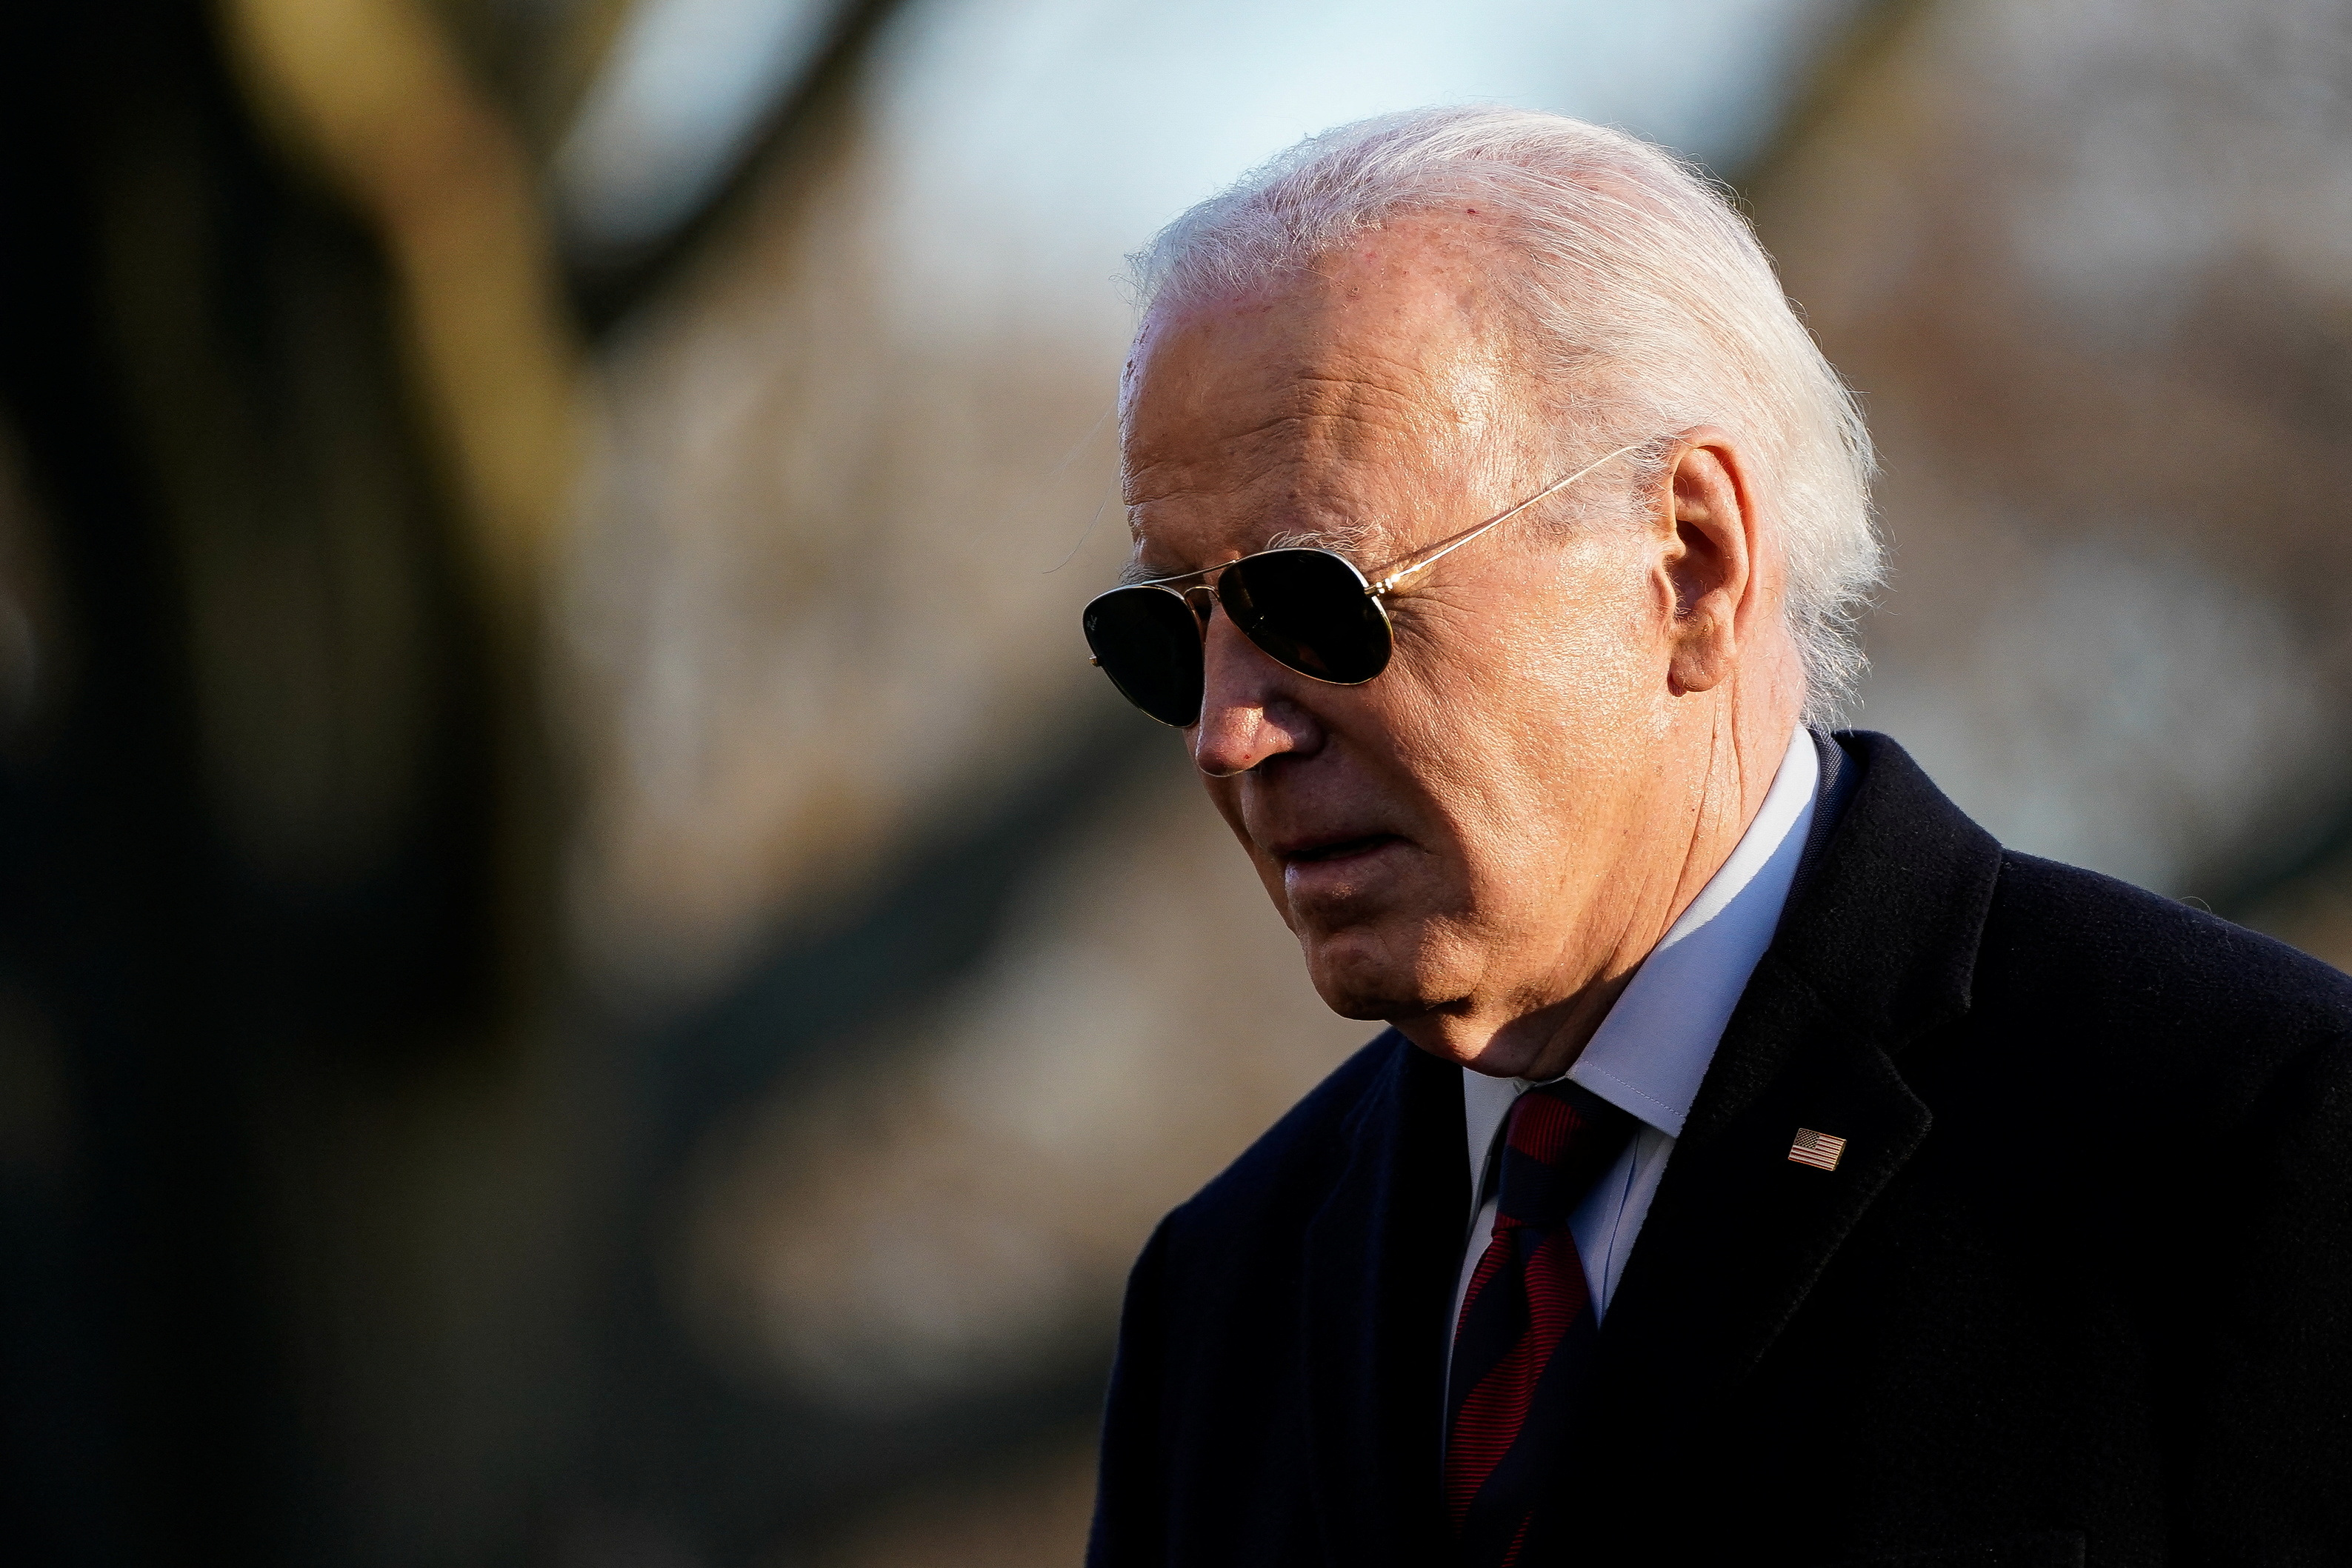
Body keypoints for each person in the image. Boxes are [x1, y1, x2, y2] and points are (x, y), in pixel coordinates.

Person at [1076, 107, 2352, 1568]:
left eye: (1318, 605)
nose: (1229, 733)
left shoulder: (2251, 1151)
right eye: (1166, 637)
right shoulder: (1226, 1288)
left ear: (1689, 561)